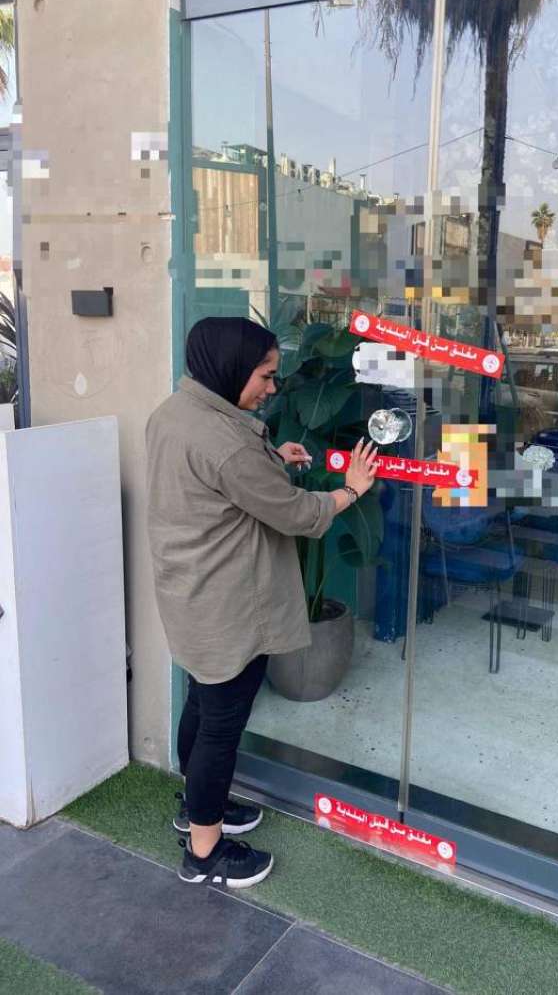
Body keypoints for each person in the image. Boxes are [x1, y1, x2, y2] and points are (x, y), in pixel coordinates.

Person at [145, 317, 378, 888]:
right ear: (230, 368)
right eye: (265, 375)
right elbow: (296, 514)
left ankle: (197, 808)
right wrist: (351, 489)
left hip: (191, 594)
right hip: (228, 605)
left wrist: (271, 459)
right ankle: (205, 854)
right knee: (221, 728)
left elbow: (220, 480)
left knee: (203, 706)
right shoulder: (226, 444)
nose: (272, 388)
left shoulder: (175, 412)